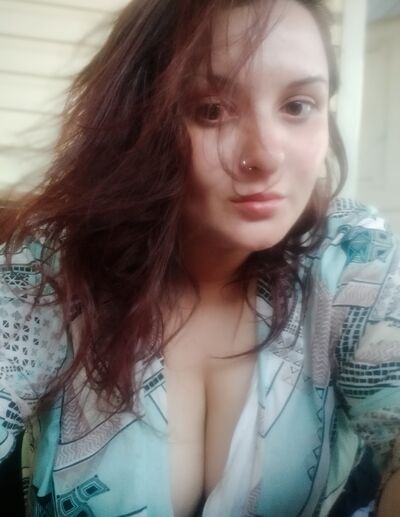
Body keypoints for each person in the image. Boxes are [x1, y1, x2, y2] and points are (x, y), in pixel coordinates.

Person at [0, 0, 399, 515]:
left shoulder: (350, 259)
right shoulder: (50, 268)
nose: (266, 156)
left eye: (298, 105)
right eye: (211, 110)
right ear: (134, 122)